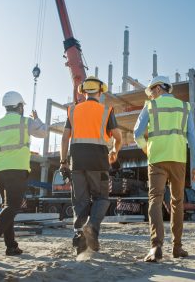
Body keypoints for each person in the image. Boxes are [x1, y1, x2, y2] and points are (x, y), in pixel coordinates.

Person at [134, 76, 195, 262]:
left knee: (155, 200)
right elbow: (192, 139)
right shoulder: (185, 107)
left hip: (156, 159)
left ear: (157, 89)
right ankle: (177, 248)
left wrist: (146, 148)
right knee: (177, 202)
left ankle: (156, 247)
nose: (151, 95)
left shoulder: (150, 106)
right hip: (179, 159)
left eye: (151, 92)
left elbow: (136, 133)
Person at [60, 76, 122, 256]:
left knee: (80, 202)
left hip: (77, 162)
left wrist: (63, 161)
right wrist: (114, 151)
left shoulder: (72, 110)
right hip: (99, 161)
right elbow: (118, 138)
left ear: (83, 91)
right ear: (100, 91)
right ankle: (92, 229)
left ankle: (80, 237)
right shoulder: (106, 110)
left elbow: (65, 138)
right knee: (101, 199)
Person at [0, 91, 48, 262]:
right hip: (16, 169)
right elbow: (44, 133)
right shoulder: (26, 122)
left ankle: (11, 247)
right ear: (20, 106)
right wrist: (37, 119)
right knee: (12, 207)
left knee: (8, 208)